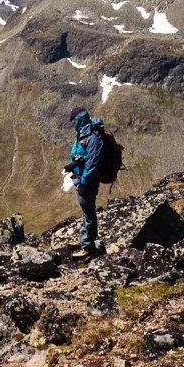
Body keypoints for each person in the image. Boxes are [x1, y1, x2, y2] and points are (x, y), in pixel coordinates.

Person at [66, 106, 105, 259]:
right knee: (85, 212)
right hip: (81, 180)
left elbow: (93, 165)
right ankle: (84, 240)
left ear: (79, 119)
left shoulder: (93, 136)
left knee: (89, 214)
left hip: (87, 183)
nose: (71, 123)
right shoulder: (82, 134)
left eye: (72, 120)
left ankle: (88, 247)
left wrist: (82, 184)